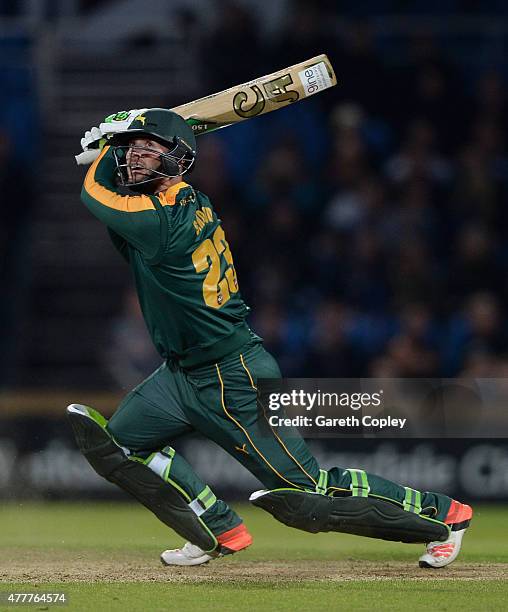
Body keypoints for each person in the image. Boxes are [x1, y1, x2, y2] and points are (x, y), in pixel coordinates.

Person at [68, 108, 472, 568]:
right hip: (181, 372)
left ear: (177, 160)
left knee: (308, 494)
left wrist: (104, 150)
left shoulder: (163, 222)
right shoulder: (182, 203)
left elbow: (95, 194)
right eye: (132, 151)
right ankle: (214, 527)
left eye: (149, 151)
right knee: (118, 446)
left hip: (230, 375)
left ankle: (444, 516)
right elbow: (118, 215)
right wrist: (117, 147)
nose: (136, 159)